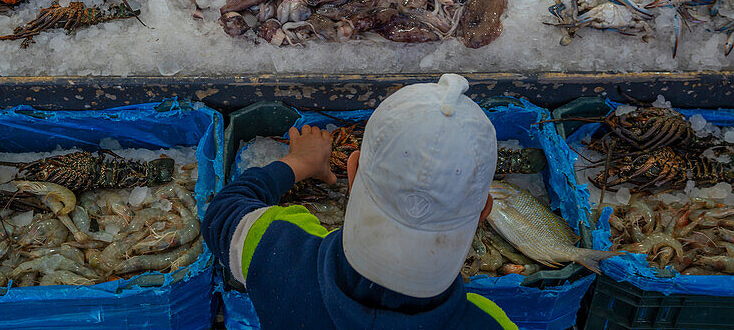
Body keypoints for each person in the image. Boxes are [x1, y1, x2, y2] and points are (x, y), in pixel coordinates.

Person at [203, 74, 518, 329]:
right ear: (483, 211)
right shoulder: (488, 321)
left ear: (351, 173)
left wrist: (298, 163)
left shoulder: (280, 256)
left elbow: (222, 214)